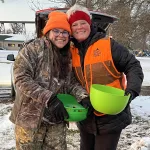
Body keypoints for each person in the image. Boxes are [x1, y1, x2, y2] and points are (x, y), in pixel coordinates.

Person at [66, 4, 144, 150]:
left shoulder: (108, 45)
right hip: (85, 114)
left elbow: (133, 66)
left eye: (83, 22)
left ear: (90, 24)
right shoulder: (70, 51)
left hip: (110, 114)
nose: (79, 27)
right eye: (74, 24)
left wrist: (132, 90)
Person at [9, 11, 88, 150]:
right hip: (30, 120)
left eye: (65, 32)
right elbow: (21, 78)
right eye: (56, 31)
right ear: (48, 32)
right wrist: (50, 99)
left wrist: (83, 97)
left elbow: (70, 83)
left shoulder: (67, 54)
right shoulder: (33, 49)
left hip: (56, 119)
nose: (60, 35)